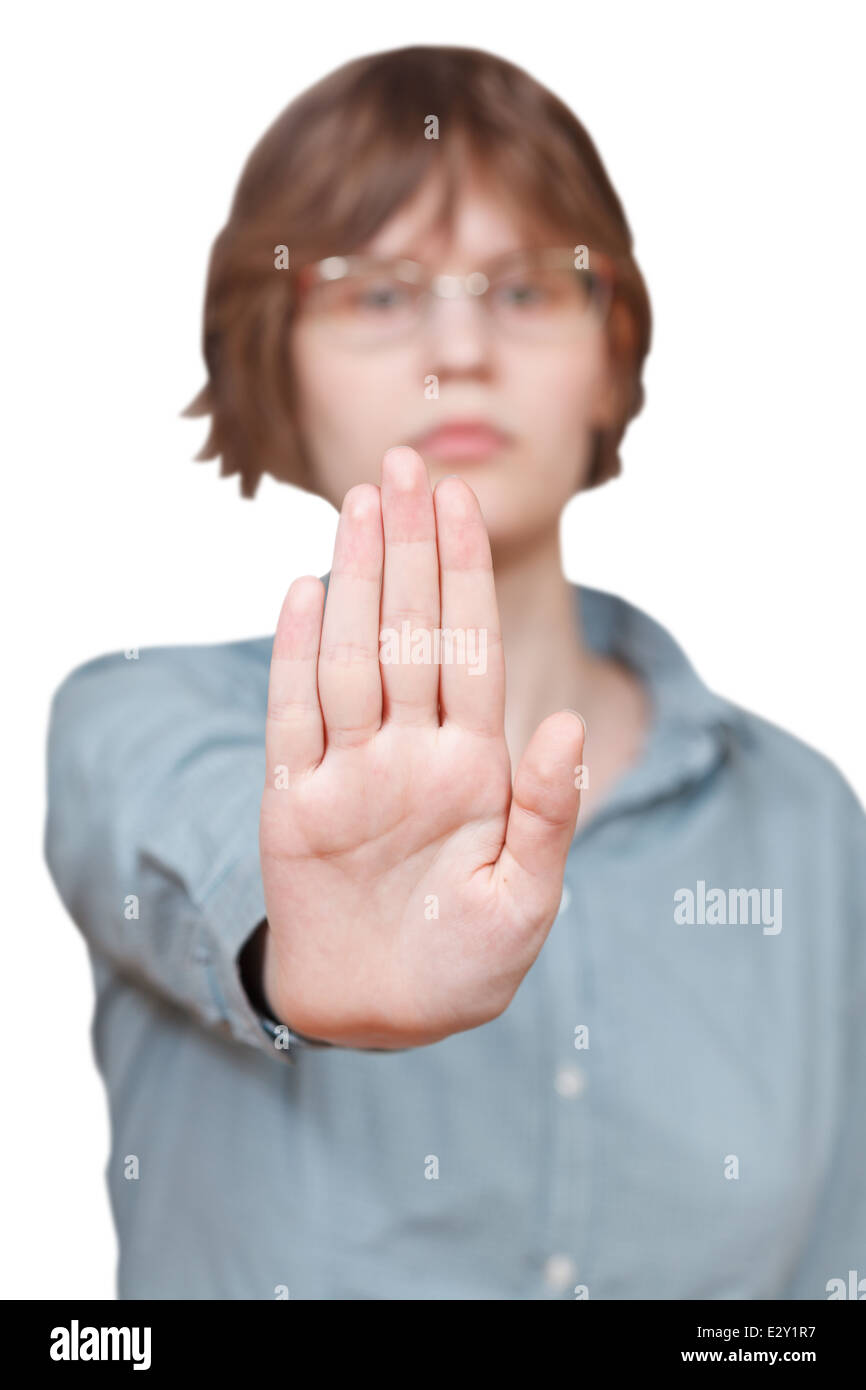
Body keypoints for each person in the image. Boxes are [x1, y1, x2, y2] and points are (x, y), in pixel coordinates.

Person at [44, 44, 865, 1301]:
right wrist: (293, 954)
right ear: (275, 358)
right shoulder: (134, 718)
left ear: (611, 347)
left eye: (529, 288)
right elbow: (199, 846)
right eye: (376, 294)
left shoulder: (806, 822)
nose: (458, 346)